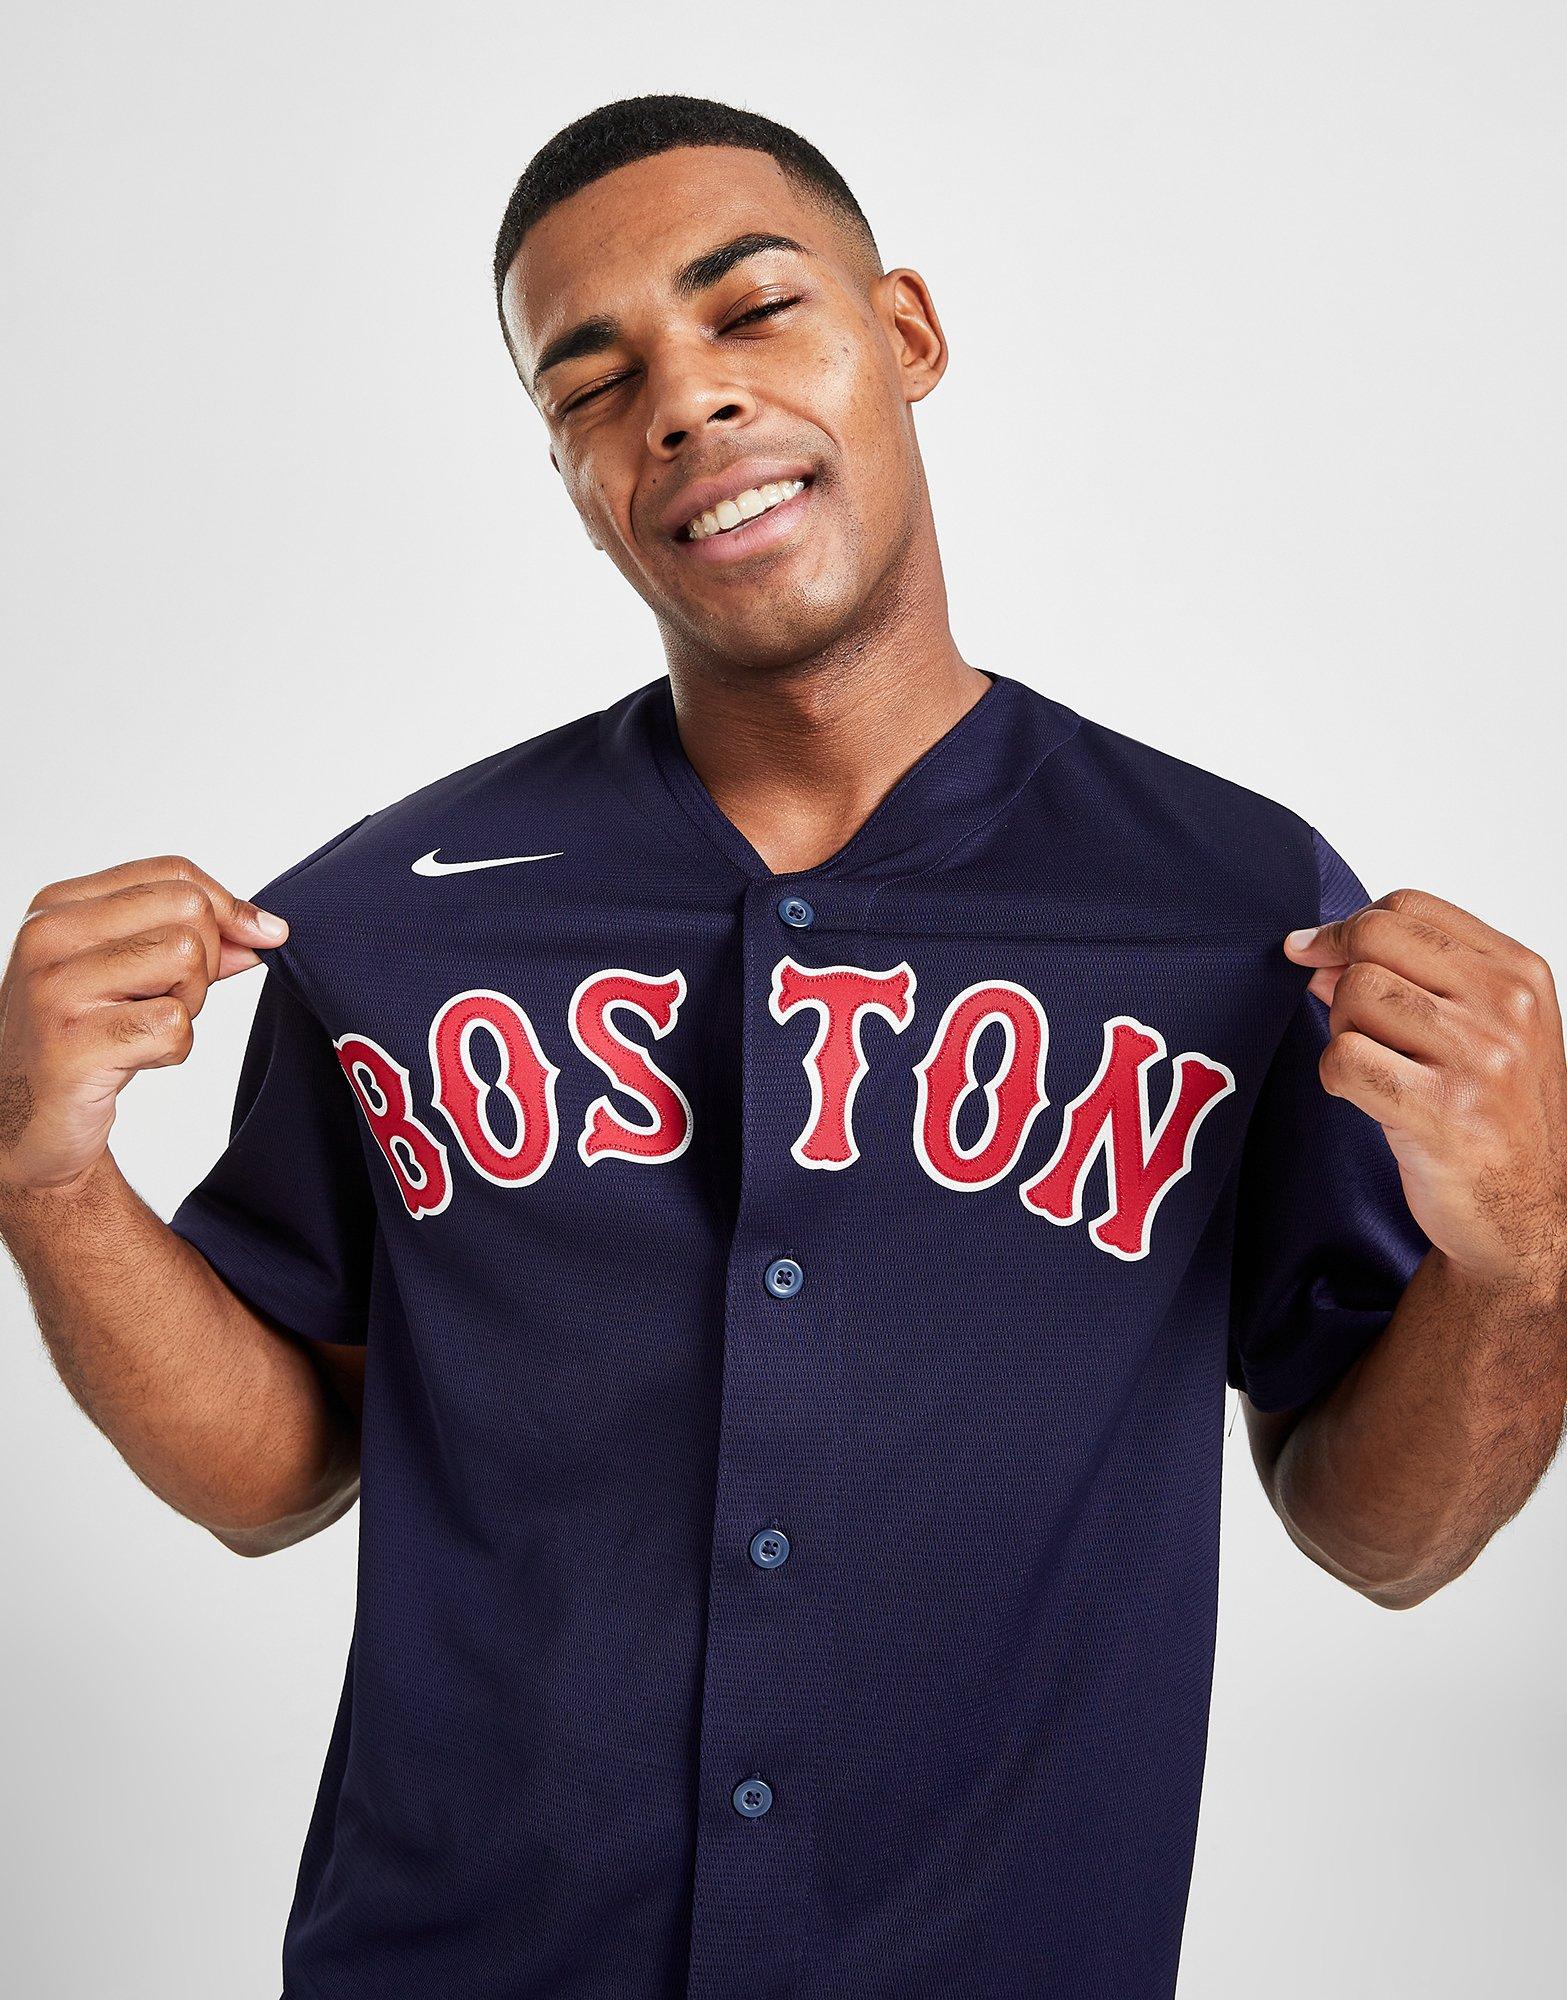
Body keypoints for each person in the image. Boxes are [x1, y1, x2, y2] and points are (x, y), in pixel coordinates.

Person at [1, 91, 1563, 2000]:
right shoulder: (401, 912)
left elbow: (1383, 1537)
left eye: (752, 309)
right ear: (571, 471)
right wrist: (49, 1182)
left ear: (904, 333)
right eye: (595, 385)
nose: (686, 401)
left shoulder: (1237, 907)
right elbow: (277, 1474)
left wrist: (1523, 1257)